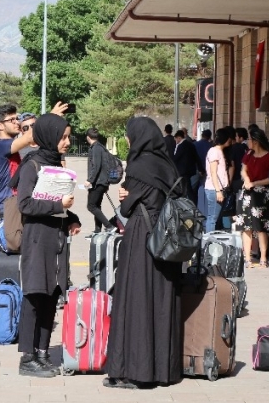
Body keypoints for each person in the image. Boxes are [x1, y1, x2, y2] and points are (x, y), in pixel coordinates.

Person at [105, 117, 183, 389]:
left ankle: (137, 372)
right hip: (167, 239)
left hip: (142, 237)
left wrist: (125, 196)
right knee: (162, 301)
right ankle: (163, 369)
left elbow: (126, 209)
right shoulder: (168, 164)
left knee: (137, 299)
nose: (128, 140)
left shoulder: (138, 166)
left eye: (129, 136)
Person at [12, 114, 81, 377]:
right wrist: (58, 206)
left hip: (57, 238)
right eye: (62, 137)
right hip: (38, 238)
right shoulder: (33, 165)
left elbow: (59, 202)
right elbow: (26, 204)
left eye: (68, 136)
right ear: (49, 136)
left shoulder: (56, 164)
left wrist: (71, 218)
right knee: (35, 294)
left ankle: (43, 353)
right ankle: (27, 358)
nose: (66, 142)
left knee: (52, 293)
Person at [238, 127, 269, 268]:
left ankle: (263, 257)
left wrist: (254, 183)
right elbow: (243, 170)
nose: (248, 142)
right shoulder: (248, 154)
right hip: (247, 193)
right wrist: (247, 180)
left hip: (262, 194)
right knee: (246, 226)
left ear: (256, 141)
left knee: (261, 227)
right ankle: (247, 258)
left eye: (250, 139)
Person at [84, 127, 113, 235]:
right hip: (102, 181)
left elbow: (96, 166)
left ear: (88, 137)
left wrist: (89, 180)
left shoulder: (96, 148)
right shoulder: (100, 147)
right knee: (97, 206)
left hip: (98, 182)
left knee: (91, 206)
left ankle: (109, 226)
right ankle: (97, 229)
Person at [203, 128, 232, 233]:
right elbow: (213, 173)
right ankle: (209, 241)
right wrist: (218, 191)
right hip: (214, 189)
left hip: (216, 188)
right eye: (229, 138)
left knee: (213, 217)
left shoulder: (218, 151)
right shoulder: (215, 151)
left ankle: (210, 240)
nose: (230, 140)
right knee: (212, 218)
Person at [172, 129, 198, 200]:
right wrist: (201, 168)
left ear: (179, 138)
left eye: (176, 139)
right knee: (188, 187)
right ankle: (192, 202)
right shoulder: (191, 145)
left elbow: (176, 158)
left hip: (181, 171)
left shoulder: (180, 146)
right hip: (189, 170)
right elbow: (196, 157)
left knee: (184, 188)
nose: (176, 141)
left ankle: (186, 202)